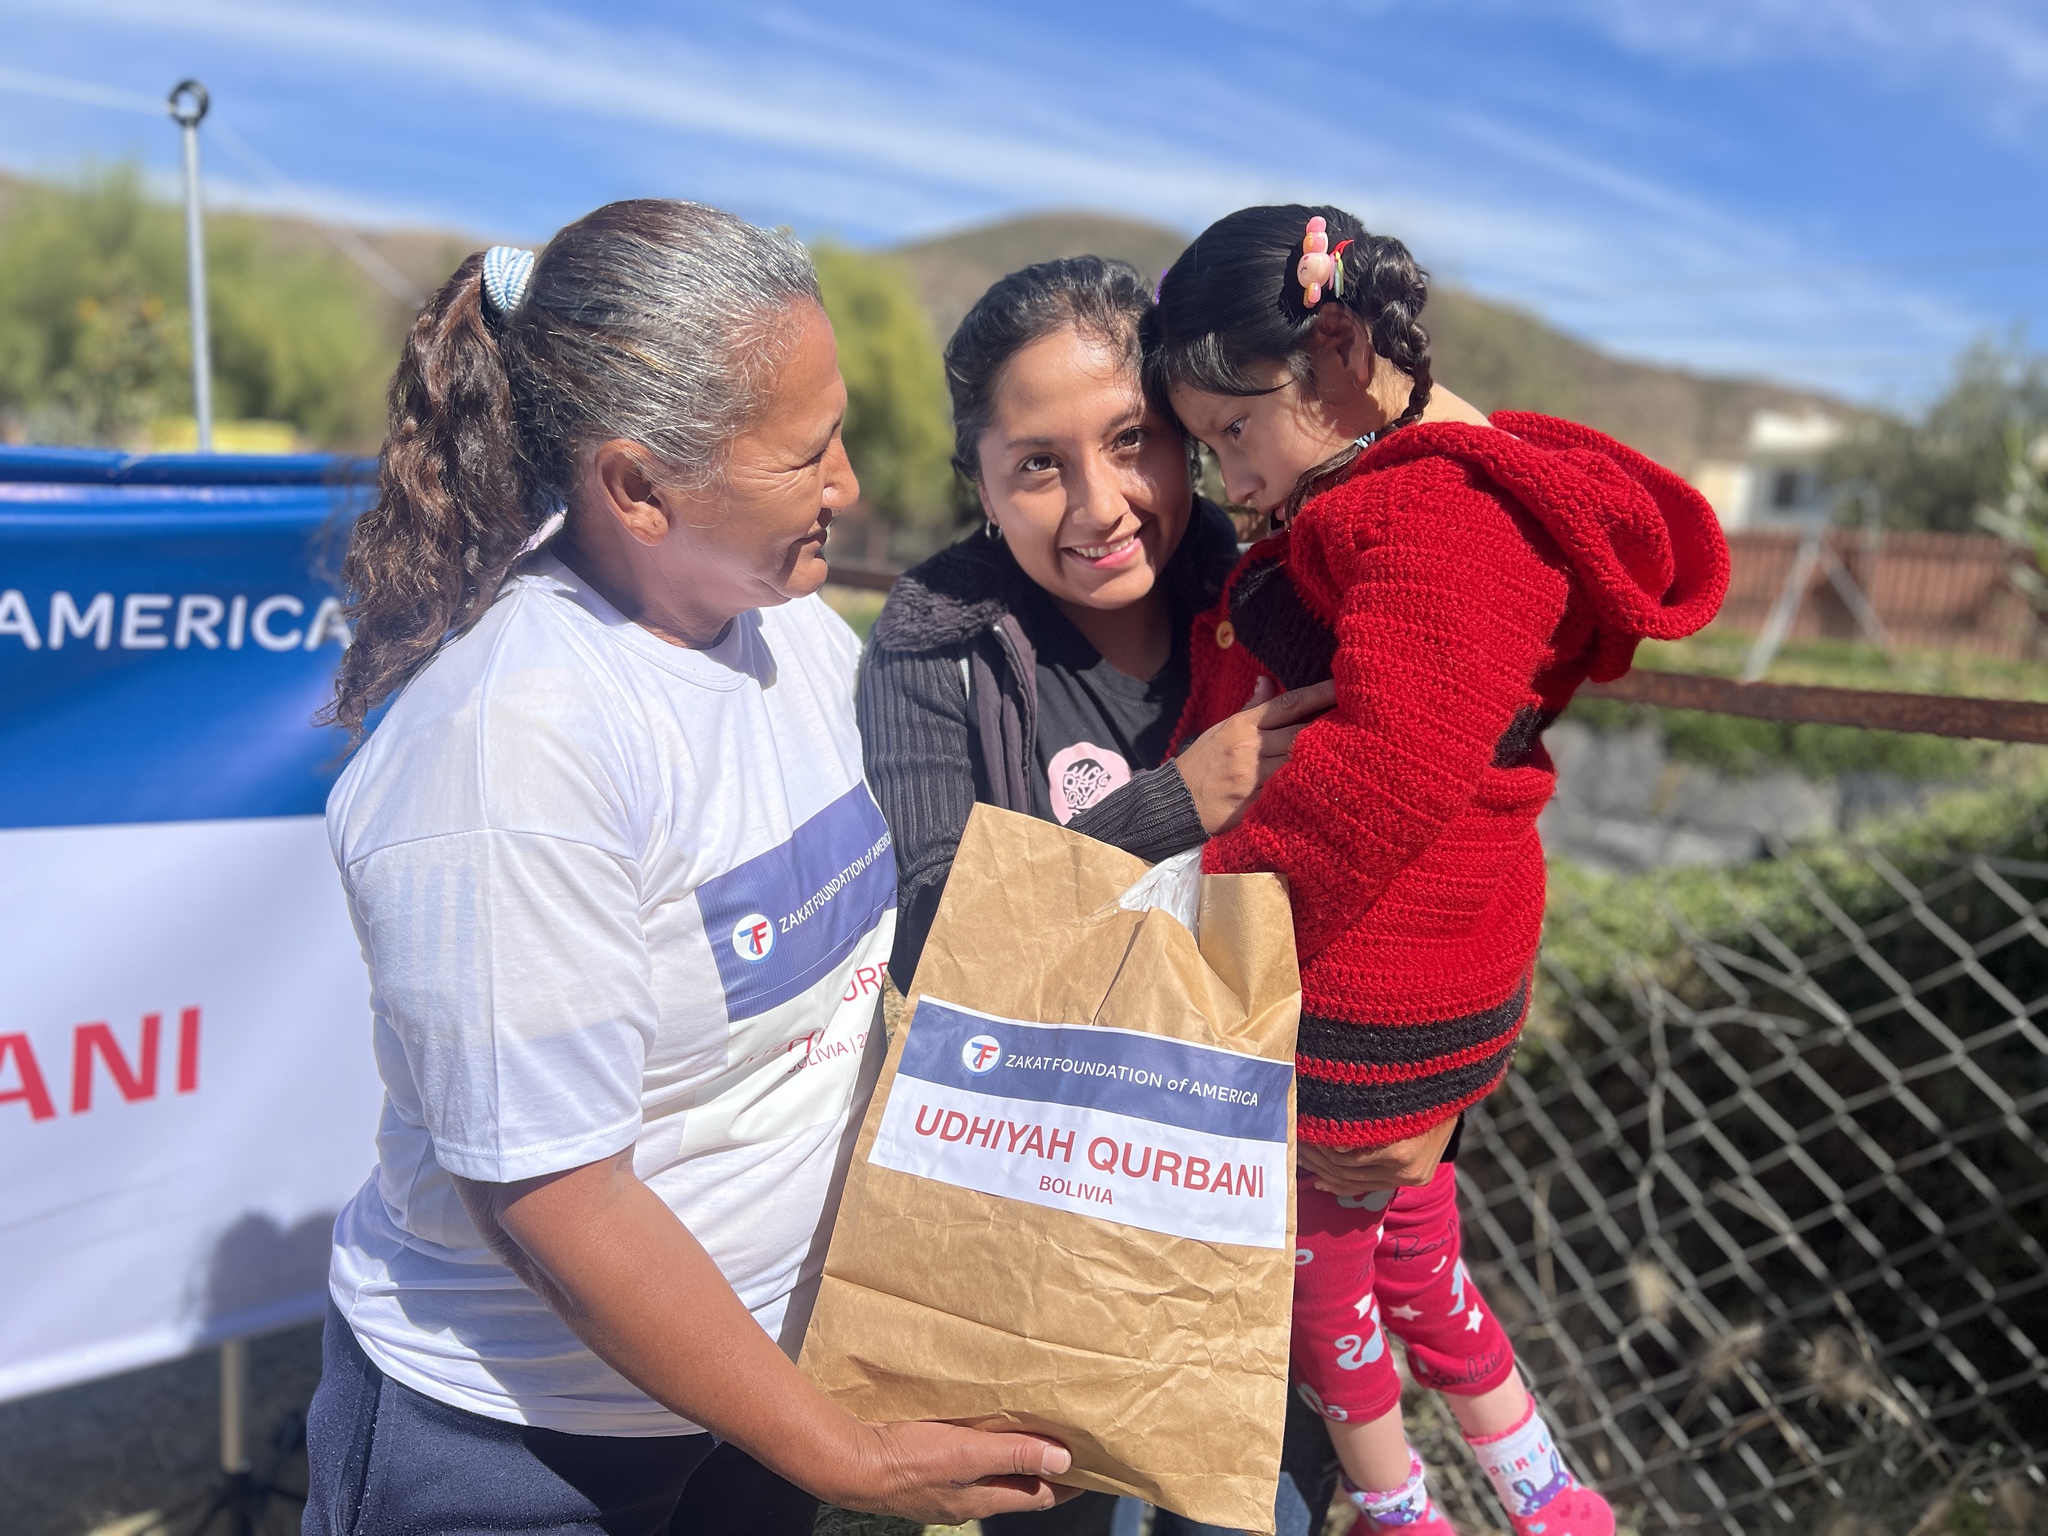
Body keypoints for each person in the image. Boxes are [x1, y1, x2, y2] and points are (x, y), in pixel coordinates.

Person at [304, 201, 1075, 1536]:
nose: (848, 483)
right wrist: (844, 1457)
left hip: (750, 1399)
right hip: (525, 1448)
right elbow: (559, 1197)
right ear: (639, 488)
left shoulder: (798, 640)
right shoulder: (515, 747)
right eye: (807, 452)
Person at [1149, 206, 1729, 1535]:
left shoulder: (1435, 515)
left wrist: (1207, 915)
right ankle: (1545, 1491)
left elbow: (1382, 775)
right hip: (1437, 973)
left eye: (1234, 432)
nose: (1230, 478)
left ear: (1338, 347)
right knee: (1418, 1251)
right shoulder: (1446, 495)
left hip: (1359, 984)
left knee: (1327, 1277)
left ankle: (1400, 1505)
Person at [856, 255, 1338, 1536]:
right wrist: (1176, 800)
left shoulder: (1284, 595)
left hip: (1258, 1190)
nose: (1099, 504)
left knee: (1261, 1499)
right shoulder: (935, 644)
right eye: (1037, 464)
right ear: (978, 482)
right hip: (1043, 1204)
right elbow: (927, 919)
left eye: (1130, 443)